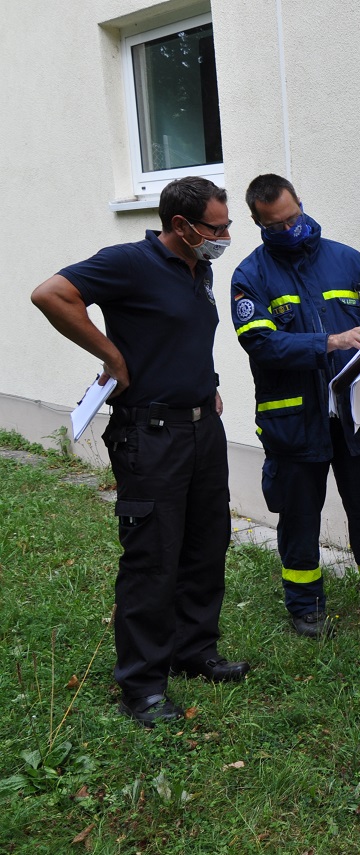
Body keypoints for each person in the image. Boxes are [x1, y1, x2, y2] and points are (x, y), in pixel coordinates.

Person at [30, 176, 250, 728]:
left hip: (202, 428)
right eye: (216, 227)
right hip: (150, 436)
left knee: (206, 543)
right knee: (153, 557)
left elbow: (185, 337)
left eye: (226, 225)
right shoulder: (128, 262)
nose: (225, 235)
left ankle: (193, 650)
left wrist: (207, 381)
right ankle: (142, 684)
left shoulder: (200, 266)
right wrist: (111, 356)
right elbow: (50, 294)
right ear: (181, 226)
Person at [230, 174, 360, 642]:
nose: (289, 228)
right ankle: (306, 608)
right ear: (259, 223)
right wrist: (329, 342)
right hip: (295, 419)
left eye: (293, 217)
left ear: (301, 203)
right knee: (299, 518)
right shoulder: (250, 275)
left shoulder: (346, 259)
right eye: (276, 225)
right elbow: (260, 344)